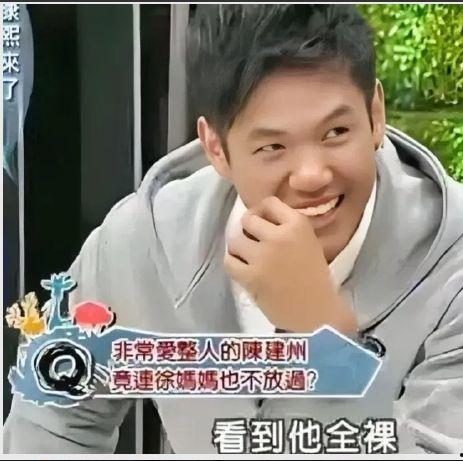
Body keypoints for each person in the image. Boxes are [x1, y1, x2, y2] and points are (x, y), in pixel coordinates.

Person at [4, 4, 463, 454]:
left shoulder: (452, 267)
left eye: (335, 133)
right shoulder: (147, 239)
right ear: (215, 148)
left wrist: (326, 342)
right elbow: (53, 415)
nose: (311, 175)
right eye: (273, 146)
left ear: (376, 113)